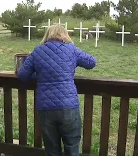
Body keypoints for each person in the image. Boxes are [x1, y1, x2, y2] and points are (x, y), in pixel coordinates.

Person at [16, 24, 97, 156]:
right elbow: (91, 62)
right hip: (68, 106)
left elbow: (23, 75)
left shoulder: (38, 51)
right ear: (65, 35)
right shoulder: (71, 49)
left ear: (47, 35)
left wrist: (39, 74)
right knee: (72, 146)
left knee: (52, 149)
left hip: (45, 108)